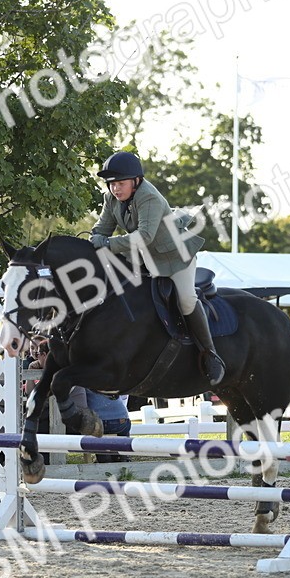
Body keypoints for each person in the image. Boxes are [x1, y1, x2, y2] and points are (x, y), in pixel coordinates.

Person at [90, 151, 225, 386]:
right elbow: (102, 229)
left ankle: (210, 354)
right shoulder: (111, 199)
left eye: (120, 183)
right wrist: (92, 241)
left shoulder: (149, 196)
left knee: (186, 300)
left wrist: (108, 244)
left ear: (136, 181)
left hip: (175, 257)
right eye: (111, 184)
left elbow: (145, 236)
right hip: (144, 259)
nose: (115, 189)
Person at [81, 388, 131, 464]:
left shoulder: (84, 383)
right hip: (120, 420)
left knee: (96, 431)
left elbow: (81, 403)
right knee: (125, 428)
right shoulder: (114, 381)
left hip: (98, 420)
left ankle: (103, 458)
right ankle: (123, 455)